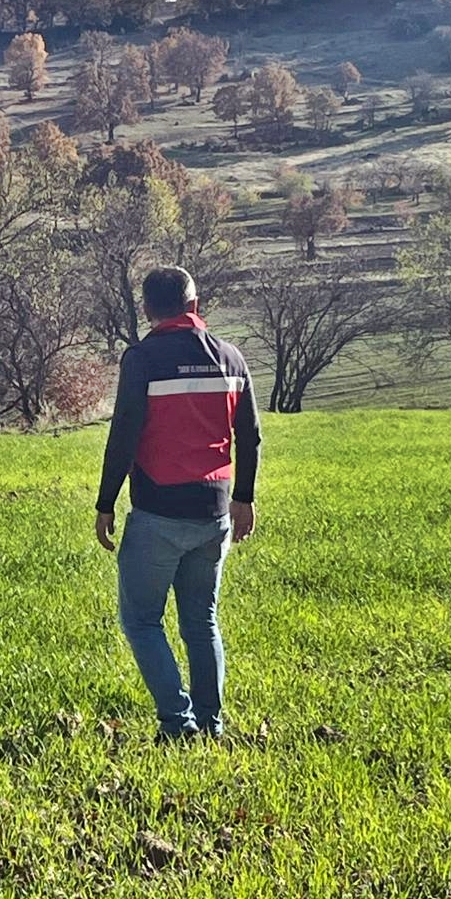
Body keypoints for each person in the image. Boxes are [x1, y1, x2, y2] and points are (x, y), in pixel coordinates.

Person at [95, 266, 261, 742]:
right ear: (194, 305)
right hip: (215, 512)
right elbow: (249, 436)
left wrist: (106, 502)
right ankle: (211, 723)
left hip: (157, 512)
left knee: (142, 620)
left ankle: (177, 722)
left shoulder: (142, 359)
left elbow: (124, 435)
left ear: (148, 309)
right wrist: (244, 498)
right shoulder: (231, 358)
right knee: (201, 621)